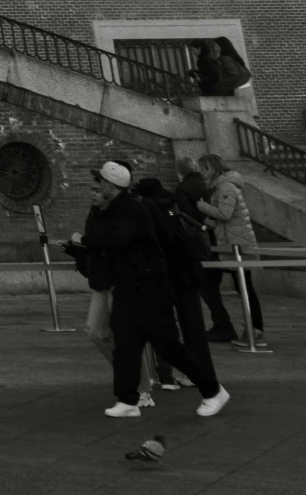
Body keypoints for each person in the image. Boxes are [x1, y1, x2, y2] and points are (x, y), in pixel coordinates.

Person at [69, 160, 229, 418]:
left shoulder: (132, 209)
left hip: (149, 286)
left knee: (167, 345)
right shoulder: (110, 209)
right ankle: (128, 399)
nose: (95, 188)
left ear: (111, 185)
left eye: (99, 183)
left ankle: (212, 390)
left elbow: (117, 239)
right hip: (127, 285)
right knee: (125, 343)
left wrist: (84, 241)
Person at [137, 176, 219, 388]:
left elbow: (165, 242)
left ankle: (175, 374)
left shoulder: (154, 211)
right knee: (194, 328)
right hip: (189, 273)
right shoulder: (171, 206)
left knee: (166, 328)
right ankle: (202, 372)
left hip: (173, 275)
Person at [196, 153, 264, 339]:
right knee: (241, 286)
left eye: (202, 169)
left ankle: (255, 329)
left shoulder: (226, 186)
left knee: (244, 287)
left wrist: (203, 207)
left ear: (211, 168)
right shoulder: (222, 186)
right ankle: (251, 328)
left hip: (236, 244)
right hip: (230, 242)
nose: (201, 173)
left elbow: (225, 213)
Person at [175, 161, 240, 342]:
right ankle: (225, 324)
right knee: (214, 285)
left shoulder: (183, 188)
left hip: (201, 242)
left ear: (180, 172)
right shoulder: (211, 185)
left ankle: (223, 324)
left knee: (206, 287)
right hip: (220, 239)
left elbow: (186, 216)